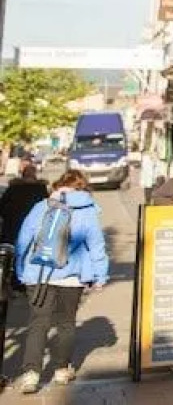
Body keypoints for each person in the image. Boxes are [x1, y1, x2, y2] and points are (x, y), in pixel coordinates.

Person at [13, 169, 109, 393]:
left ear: (59, 184)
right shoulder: (88, 210)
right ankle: (61, 370)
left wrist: (20, 269)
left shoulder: (42, 205)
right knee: (66, 324)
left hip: (39, 273)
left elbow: (24, 238)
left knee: (38, 323)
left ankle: (31, 374)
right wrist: (100, 275)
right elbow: (96, 246)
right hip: (72, 277)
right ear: (82, 187)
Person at [0, 161, 48, 250]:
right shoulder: (40, 189)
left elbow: (2, 205)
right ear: (35, 175)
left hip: (12, 225)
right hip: (33, 224)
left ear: (23, 174)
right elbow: (45, 206)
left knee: (9, 250)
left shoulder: (14, 187)